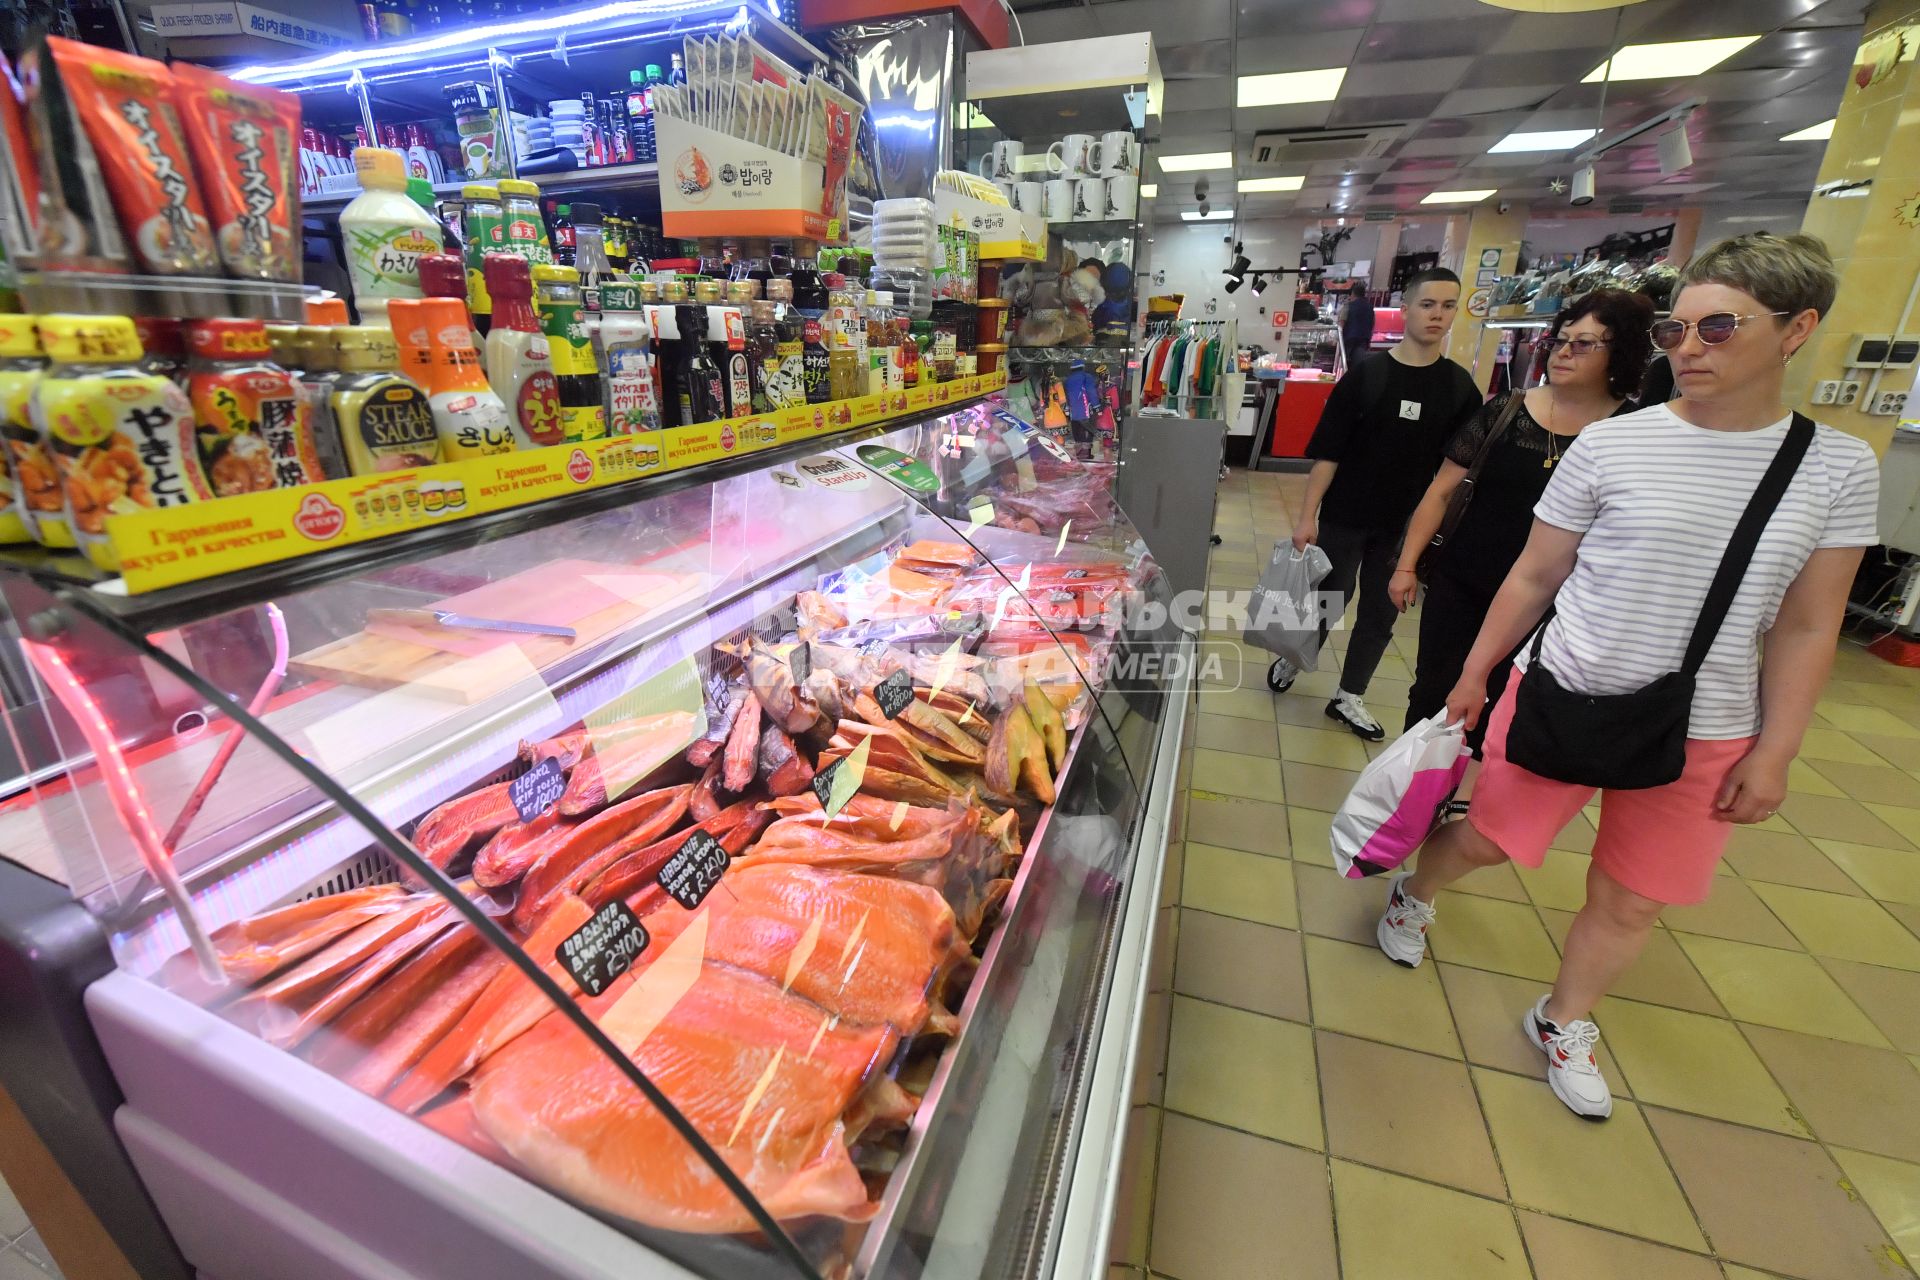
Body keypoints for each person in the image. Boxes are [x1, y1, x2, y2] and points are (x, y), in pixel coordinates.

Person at [1374, 233, 1879, 1119]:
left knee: (1634, 897)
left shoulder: (1835, 467)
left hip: (1708, 723)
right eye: (1677, 331)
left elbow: (1808, 623)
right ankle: (1414, 892)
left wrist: (1778, 750)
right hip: (1566, 688)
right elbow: (1535, 575)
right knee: (1490, 837)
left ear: (1797, 330)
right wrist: (1474, 676)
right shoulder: (1614, 447)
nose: (1690, 349)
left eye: (1718, 328)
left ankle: (1564, 1018)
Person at [1392, 290, 1655, 747]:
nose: (1564, 352)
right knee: (1432, 693)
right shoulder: (1507, 410)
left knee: (1507, 707)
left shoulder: (1631, 433)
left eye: (1585, 343)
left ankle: (1471, 804)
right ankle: (1413, 798)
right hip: (1463, 582)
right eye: (1560, 340)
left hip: (1554, 604)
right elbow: (1441, 490)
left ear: (1620, 354)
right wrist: (1406, 564)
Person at [1281, 267, 1481, 740]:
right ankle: (1294, 657)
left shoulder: (1458, 390)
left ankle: (1350, 695)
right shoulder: (1366, 377)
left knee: (1381, 610)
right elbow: (1328, 455)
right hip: (1345, 516)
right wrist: (1307, 516)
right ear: (1407, 308)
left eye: (1448, 305)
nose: (1437, 315)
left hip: (1404, 526)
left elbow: (1457, 474)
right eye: (1428, 304)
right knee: (1329, 599)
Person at [1342, 291, 1376, 370]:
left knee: (1343, 363)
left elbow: (1341, 323)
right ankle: (1354, 380)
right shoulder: (1370, 307)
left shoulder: (1348, 306)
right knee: (1357, 366)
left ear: (1353, 294)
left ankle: (1344, 380)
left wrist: (1337, 338)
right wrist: (1369, 339)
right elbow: (1372, 324)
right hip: (1363, 339)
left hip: (1348, 338)